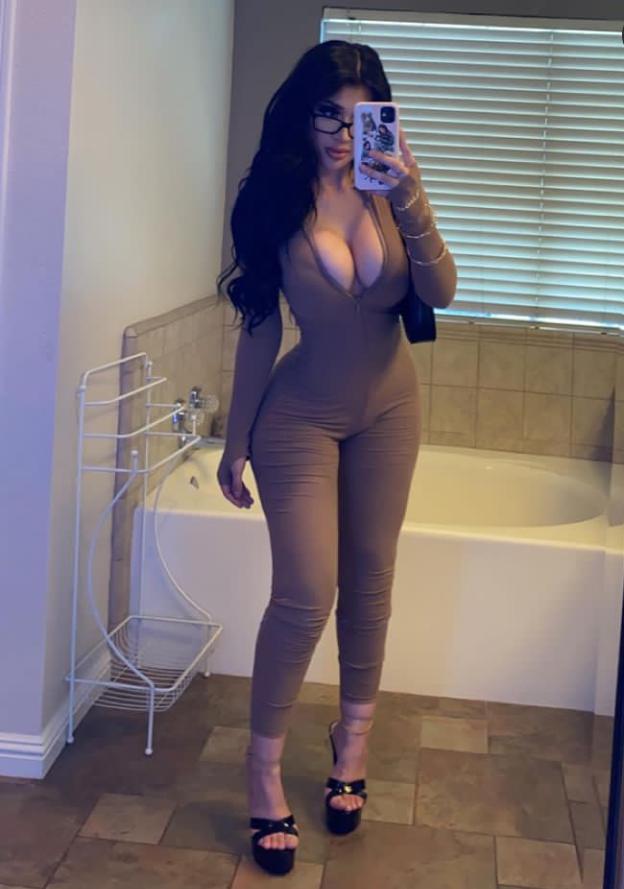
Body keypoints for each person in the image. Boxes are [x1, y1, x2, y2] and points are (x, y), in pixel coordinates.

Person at [215, 39, 456, 875]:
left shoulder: (391, 190)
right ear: (302, 113)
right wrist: (236, 440)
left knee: (370, 579)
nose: (340, 135)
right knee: (305, 593)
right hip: (301, 417)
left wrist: (409, 192)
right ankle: (263, 770)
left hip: (390, 409)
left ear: (380, 121)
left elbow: (443, 289)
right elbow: (258, 328)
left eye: (358, 119)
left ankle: (352, 744)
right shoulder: (274, 199)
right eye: (326, 114)